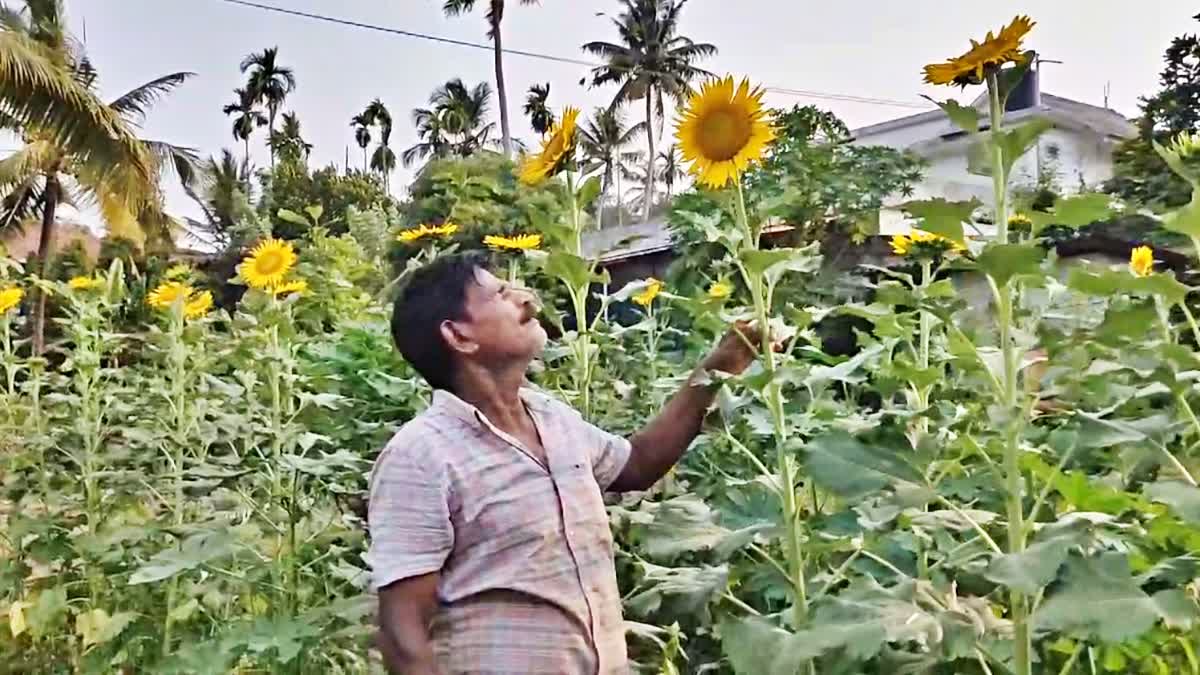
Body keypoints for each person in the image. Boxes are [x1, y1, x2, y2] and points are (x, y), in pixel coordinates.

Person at [368, 252, 761, 675]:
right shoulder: (421, 455)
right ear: (459, 335)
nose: (527, 299)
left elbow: (638, 463)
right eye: (501, 293)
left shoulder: (551, 417)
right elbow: (403, 632)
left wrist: (717, 369)